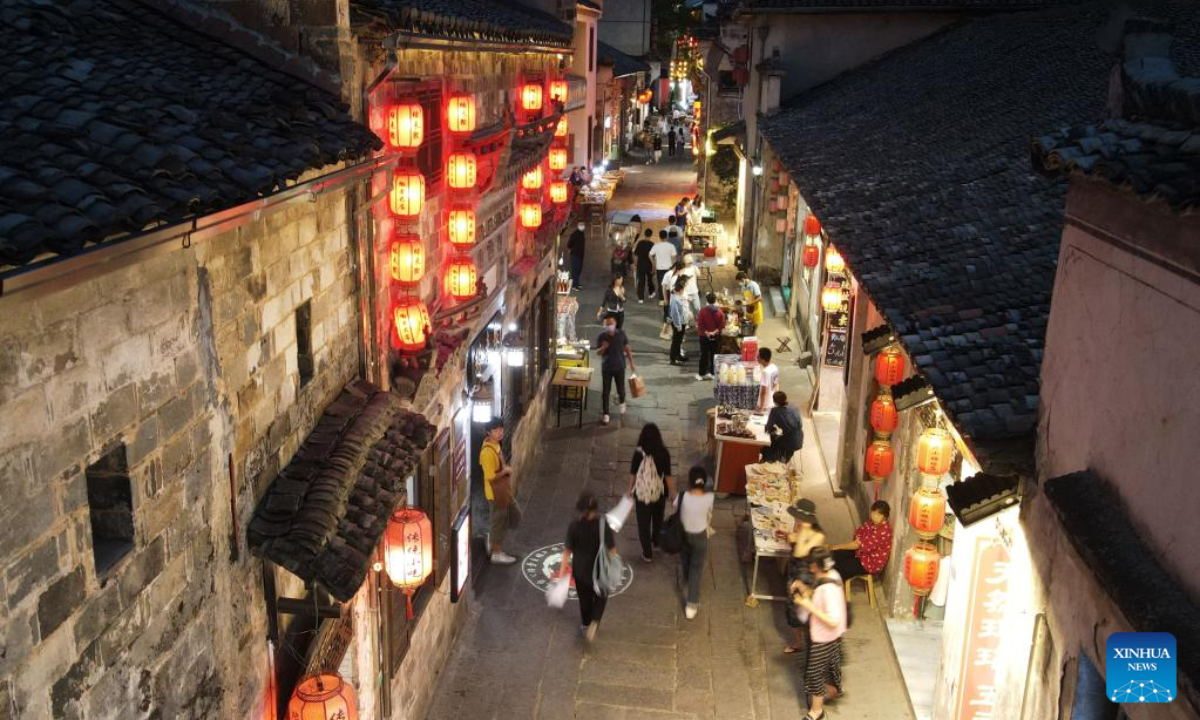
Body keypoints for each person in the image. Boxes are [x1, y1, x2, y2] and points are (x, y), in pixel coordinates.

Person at [793, 546, 847, 719]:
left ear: (816, 566)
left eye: (811, 565)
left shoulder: (828, 589)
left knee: (815, 672)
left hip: (824, 637)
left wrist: (808, 606)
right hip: (830, 637)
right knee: (829, 667)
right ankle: (831, 691)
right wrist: (802, 588)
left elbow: (833, 619)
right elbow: (816, 594)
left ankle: (817, 712)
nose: (810, 568)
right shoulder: (831, 575)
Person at [557, 491, 617, 641]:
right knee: (601, 596)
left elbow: (566, 552)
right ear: (595, 510)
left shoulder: (574, 526)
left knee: (584, 600)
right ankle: (595, 621)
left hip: (580, 572)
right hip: (599, 571)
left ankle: (585, 624)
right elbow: (612, 550)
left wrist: (561, 574)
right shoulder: (603, 525)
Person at [783, 499, 826, 655]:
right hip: (794, 572)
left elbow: (800, 552)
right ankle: (797, 642)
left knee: (806, 611)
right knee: (791, 609)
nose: (795, 520)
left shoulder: (818, 535)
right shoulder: (801, 528)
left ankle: (814, 645)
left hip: (806, 576)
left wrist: (801, 532)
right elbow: (793, 542)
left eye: (797, 517)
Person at [628, 423, 675, 562]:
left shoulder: (638, 453)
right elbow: (668, 476)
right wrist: (673, 493)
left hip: (642, 495)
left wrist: (629, 490)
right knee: (658, 519)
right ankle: (656, 542)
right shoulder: (664, 453)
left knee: (643, 524)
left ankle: (647, 554)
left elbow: (633, 474)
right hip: (659, 493)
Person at [479, 418, 518, 565]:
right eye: (496, 430)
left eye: (501, 428)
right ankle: (496, 552)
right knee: (499, 521)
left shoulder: (495, 444)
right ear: (489, 432)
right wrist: (506, 471)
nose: (500, 432)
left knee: (512, 516)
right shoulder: (487, 453)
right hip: (495, 493)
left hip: (502, 490)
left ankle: (493, 536)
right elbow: (490, 477)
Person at [678, 466, 715, 619]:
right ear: (704, 483)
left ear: (689, 482)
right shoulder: (709, 498)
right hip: (700, 537)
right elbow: (709, 514)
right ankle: (691, 604)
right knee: (696, 568)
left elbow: (676, 508)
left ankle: (687, 580)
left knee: (686, 560)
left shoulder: (683, 496)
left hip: (684, 535)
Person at [829, 501, 893, 581]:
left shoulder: (884, 531)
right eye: (873, 513)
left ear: (885, 517)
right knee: (836, 555)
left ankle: (833, 586)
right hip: (862, 553)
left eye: (878, 515)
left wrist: (838, 546)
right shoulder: (872, 522)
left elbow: (859, 545)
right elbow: (859, 531)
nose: (874, 517)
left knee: (841, 568)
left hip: (870, 562)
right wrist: (859, 540)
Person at [594, 312, 635, 425]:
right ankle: (606, 414)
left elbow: (627, 348)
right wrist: (603, 347)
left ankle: (622, 402)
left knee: (621, 389)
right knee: (606, 392)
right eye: (607, 324)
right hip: (606, 367)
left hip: (620, 366)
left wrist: (631, 362)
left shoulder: (621, 334)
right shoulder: (602, 336)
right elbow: (597, 352)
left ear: (615, 323)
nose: (609, 326)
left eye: (611, 323)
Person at [763, 391, 803, 464]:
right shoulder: (794, 407)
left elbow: (768, 428)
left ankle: (771, 460)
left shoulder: (775, 411)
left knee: (770, 440)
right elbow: (798, 424)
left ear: (774, 401)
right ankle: (784, 460)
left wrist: (770, 429)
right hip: (799, 438)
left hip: (788, 441)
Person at [695, 292, 724, 380]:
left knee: (704, 354)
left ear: (706, 300)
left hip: (704, 337)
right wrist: (713, 333)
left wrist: (707, 333)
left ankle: (701, 374)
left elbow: (700, 325)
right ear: (715, 300)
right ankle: (712, 373)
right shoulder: (720, 312)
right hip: (715, 337)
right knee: (714, 354)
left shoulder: (702, 311)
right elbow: (721, 325)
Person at [668, 278, 690, 366]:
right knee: (676, 341)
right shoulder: (675, 299)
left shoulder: (679, 297)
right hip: (679, 323)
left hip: (683, 321)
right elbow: (675, 313)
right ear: (680, 290)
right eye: (683, 289)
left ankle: (678, 355)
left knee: (679, 340)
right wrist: (678, 325)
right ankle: (673, 358)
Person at [634, 228, 656, 303]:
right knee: (650, 280)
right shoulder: (652, 244)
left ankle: (641, 298)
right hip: (649, 265)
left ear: (644, 234)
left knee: (641, 281)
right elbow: (653, 257)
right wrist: (654, 267)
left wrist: (635, 264)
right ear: (651, 235)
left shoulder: (640, 243)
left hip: (640, 265)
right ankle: (651, 293)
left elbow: (636, 255)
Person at [757, 347, 779, 412]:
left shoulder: (765, 372)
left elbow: (763, 392)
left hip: (766, 404)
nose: (757, 358)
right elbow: (776, 384)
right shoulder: (774, 367)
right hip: (772, 402)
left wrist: (761, 407)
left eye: (758, 356)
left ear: (763, 359)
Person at [566, 222, 586, 291]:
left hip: (580, 255)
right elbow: (569, 244)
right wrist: (570, 249)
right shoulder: (574, 234)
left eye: (583, 225)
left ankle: (577, 283)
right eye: (581, 225)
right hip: (575, 255)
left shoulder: (582, 234)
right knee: (575, 270)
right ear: (578, 226)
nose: (582, 226)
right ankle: (574, 285)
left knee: (579, 270)